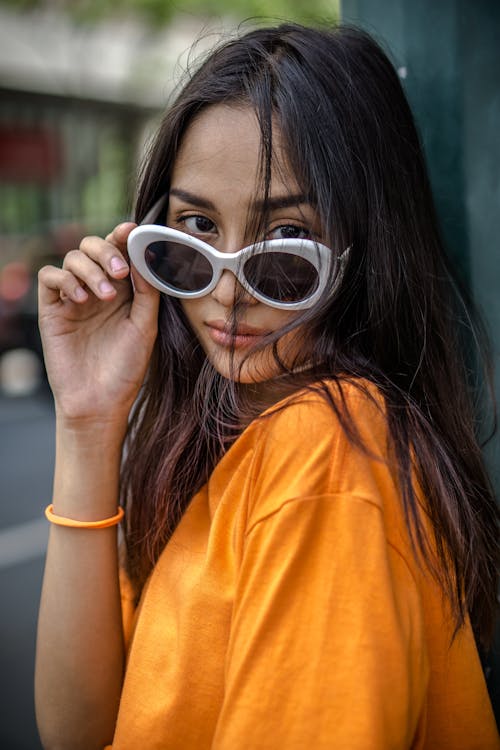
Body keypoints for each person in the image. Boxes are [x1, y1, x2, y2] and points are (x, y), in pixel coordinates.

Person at [35, 22, 499, 750]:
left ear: (361, 253)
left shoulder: (326, 446)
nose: (225, 290)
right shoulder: (222, 442)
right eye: (193, 229)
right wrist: (88, 423)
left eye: (283, 244)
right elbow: (80, 729)